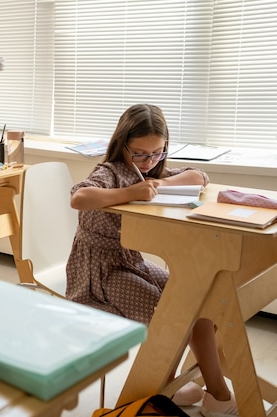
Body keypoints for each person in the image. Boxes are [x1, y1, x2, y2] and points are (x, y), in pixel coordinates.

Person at [66, 104, 238, 417]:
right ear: (122, 145)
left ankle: (214, 393)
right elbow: (79, 197)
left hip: (131, 261)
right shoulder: (111, 171)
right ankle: (168, 382)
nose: (149, 162)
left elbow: (199, 176)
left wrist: (160, 183)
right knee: (165, 314)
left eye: (158, 153)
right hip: (98, 272)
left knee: (193, 297)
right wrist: (131, 193)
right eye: (140, 154)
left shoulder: (150, 170)